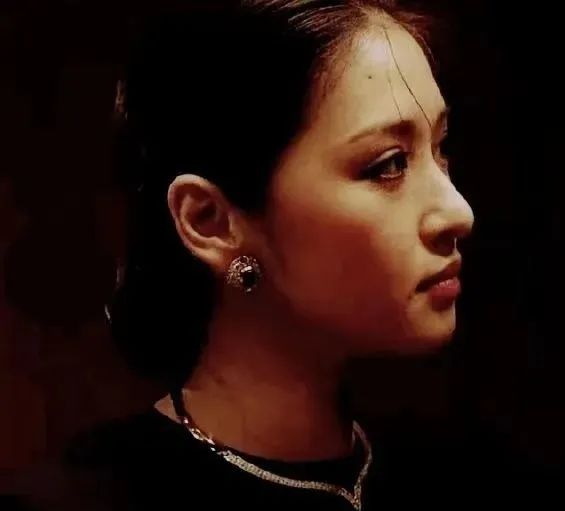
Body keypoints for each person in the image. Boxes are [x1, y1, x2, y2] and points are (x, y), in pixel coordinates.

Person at [9, 1, 514, 509]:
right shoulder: (85, 497)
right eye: (388, 165)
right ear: (210, 221)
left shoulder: (471, 476)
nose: (458, 212)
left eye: (440, 149)